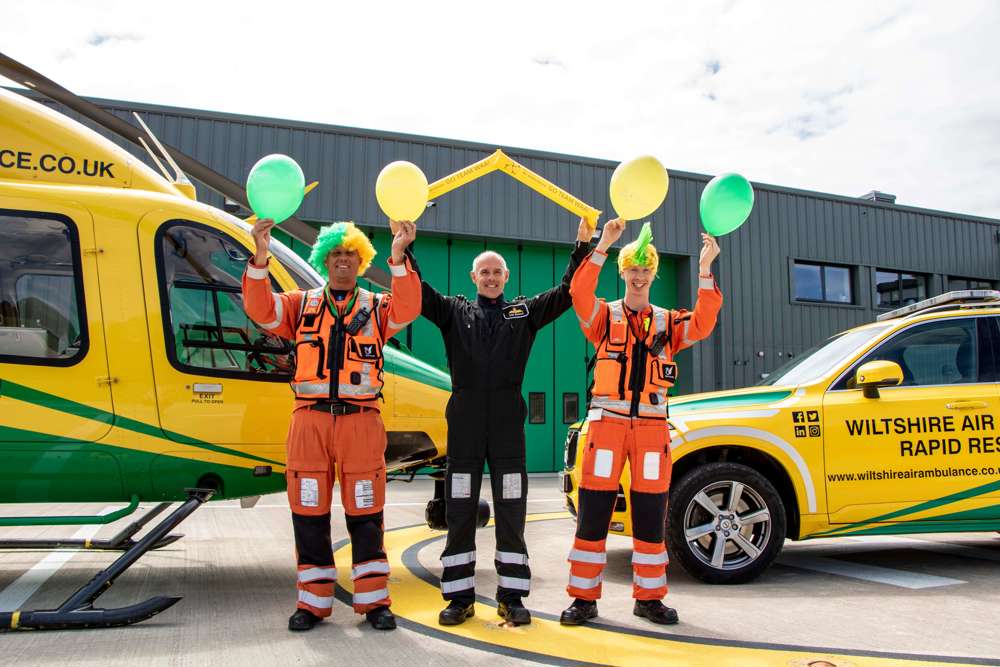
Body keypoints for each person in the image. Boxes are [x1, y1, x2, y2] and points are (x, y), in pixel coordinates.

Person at [242, 218, 420, 632]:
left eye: (350, 255)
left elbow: (410, 306)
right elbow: (259, 309)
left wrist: (398, 257)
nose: (343, 261)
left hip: (361, 424)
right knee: (308, 513)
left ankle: (375, 603)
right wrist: (261, 256)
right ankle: (313, 603)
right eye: (336, 254)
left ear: (362, 261)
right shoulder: (298, 305)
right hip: (309, 422)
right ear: (324, 260)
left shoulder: (378, 308)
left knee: (366, 514)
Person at [417, 219, 594, 626]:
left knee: (512, 509)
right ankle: (459, 598)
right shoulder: (452, 310)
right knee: (460, 509)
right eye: (485, 272)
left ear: (506, 276)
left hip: (507, 424)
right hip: (464, 420)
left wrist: (582, 245)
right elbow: (418, 294)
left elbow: (567, 291)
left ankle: (511, 595)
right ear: (473, 276)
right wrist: (403, 249)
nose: (491, 277)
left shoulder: (523, 312)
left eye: (498, 272)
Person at [559, 219, 721, 627]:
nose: (639, 275)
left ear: (653, 274)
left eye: (646, 269)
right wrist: (603, 245)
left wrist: (705, 269)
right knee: (593, 513)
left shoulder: (669, 322)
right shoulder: (604, 317)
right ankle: (583, 598)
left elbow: (703, 322)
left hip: (651, 432)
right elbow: (578, 293)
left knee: (650, 515)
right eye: (633, 268)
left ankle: (649, 598)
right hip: (606, 427)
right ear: (623, 271)